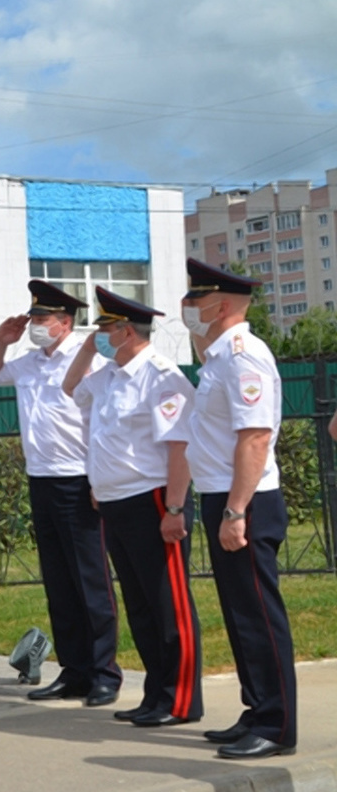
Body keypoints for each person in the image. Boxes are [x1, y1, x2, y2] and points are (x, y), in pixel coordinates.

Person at [62, 287, 203, 728]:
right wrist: (89, 347)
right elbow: (70, 387)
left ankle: (180, 700)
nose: (98, 335)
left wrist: (175, 508)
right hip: (116, 502)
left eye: (104, 328)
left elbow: (180, 447)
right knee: (140, 605)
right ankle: (155, 694)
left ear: (125, 331)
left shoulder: (162, 378)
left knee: (168, 605)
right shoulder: (108, 375)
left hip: (154, 499)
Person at [0, 280, 122, 706]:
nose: (35, 325)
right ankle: (73, 670)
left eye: (42, 319)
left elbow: (103, 421)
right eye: (33, 318)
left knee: (90, 581)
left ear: (65, 322)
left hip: (79, 479)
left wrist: (99, 479)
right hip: (40, 478)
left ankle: (104, 674)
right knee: (59, 583)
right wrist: (0, 341)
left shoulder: (87, 361)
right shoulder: (27, 363)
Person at [181, 259, 297, 759]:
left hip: (245, 502)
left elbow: (254, 438)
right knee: (239, 615)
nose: (187, 308)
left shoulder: (244, 356)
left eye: (195, 300)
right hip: (224, 496)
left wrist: (235, 511)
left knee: (258, 617)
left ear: (220, 305)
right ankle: (257, 709)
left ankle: (276, 725)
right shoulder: (220, 357)